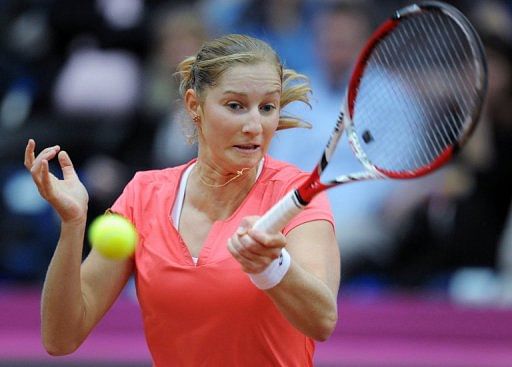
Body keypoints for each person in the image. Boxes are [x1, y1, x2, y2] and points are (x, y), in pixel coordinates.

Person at [24, 34, 340, 366]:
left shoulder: (298, 194)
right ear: (194, 105)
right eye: (235, 105)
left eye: (267, 108)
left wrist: (272, 266)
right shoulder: (143, 195)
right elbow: (60, 337)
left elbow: (321, 321)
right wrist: (73, 223)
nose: (253, 125)